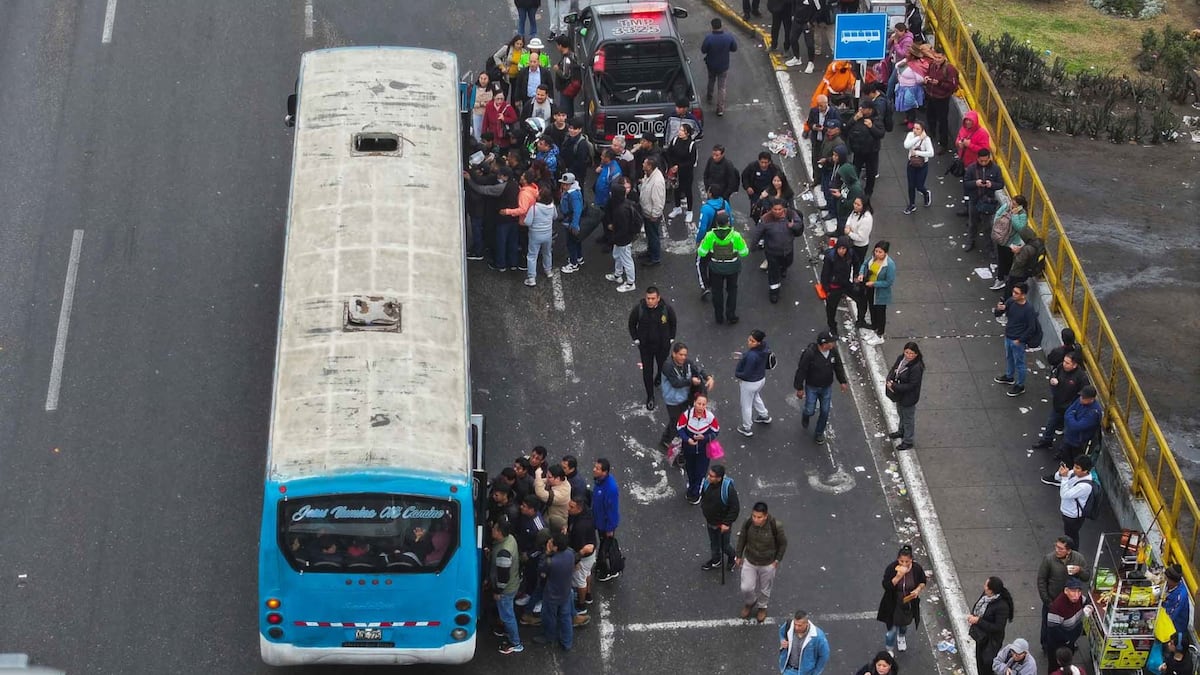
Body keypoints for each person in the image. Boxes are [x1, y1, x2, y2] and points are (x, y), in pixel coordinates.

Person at [1036, 537, 1092, 653]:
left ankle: (1070, 642)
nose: (1057, 550)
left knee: (1071, 624)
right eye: (1056, 546)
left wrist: (1079, 570)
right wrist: (1047, 601)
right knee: (1048, 625)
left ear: (1069, 550)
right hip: (1053, 600)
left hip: (1071, 602)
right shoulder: (1049, 559)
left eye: (1060, 548)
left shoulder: (1078, 558)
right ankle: (1047, 646)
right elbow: (1041, 580)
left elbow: (1086, 577)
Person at [735, 502, 788, 623]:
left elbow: (783, 544)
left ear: (765, 516)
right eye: (754, 516)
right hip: (750, 560)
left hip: (768, 563)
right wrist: (738, 555)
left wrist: (777, 560)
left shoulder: (776, 526)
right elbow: (742, 537)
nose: (755, 519)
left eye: (759, 517)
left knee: (765, 589)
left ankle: (762, 607)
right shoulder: (748, 522)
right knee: (746, 587)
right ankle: (750, 602)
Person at [793, 331, 848, 445]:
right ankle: (806, 415)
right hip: (812, 387)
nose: (833, 344)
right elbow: (802, 370)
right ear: (824, 344)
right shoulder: (810, 354)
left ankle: (819, 433)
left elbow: (838, 366)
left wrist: (842, 381)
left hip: (826, 387)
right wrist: (799, 388)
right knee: (810, 409)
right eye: (831, 342)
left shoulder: (833, 352)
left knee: (825, 411)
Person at [628, 286, 679, 410]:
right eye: (648, 298)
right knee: (647, 371)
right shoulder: (639, 309)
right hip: (645, 347)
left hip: (662, 346)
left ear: (658, 298)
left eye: (653, 298)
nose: (650, 301)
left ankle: (659, 378)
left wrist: (671, 338)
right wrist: (636, 339)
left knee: (662, 367)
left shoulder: (666, 309)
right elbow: (631, 324)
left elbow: (673, 323)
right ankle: (650, 396)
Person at [1039, 386, 1101, 481]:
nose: (1081, 398)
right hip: (1069, 438)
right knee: (1065, 459)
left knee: (1075, 464)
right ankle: (1061, 476)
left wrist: (1072, 417)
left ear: (1091, 399)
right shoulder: (1079, 401)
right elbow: (1068, 412)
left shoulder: (1094, 412)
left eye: (1084, 398)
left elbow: (1076, 426)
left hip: (1078, 443)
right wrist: (1072, 418)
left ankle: (1065, 479)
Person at [659, 342, 715, 448]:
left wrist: (708, 377)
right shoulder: (668, 366)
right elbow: (675, 383)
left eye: (685, 355)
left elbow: (697, 369)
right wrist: (691, 381)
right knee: (676, 423)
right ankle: (669, 443)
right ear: (674, 354)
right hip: (672, 400)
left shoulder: (687, 363)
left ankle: (667, 438)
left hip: (685, 398)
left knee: (678, 420)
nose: (683, 357)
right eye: (680, 355)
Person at [699, 213, 750, 325]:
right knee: (732, 291)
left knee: (717, 292)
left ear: (716, 223)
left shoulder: (710, 236)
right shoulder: (736, 236)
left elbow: (702, 253)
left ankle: (719, 317)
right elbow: (744, 253)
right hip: (732, 268)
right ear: (728, 223)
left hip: (716, 268)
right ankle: (731, 315)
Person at [750, 199, 802, 304]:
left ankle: (783, 268)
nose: (778, 211)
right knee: (774, 273)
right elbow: (757, 233)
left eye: (780, 209)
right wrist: (753, 246)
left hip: (787, 250)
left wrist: (793, 226)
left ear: (784, 209)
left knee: (787, 263)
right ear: (771, 209)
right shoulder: (765, 219)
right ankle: (774, 292)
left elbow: (799, 225)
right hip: (772, 252)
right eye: (775, 209)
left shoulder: (791, 214)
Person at [877, 544, 926, 655]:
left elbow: (923, 581)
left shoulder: (916, 569)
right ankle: (889, 648)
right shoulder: (891, 568)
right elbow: (886, 586)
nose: (904, 564)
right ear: (898, 559)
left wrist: (918, 590)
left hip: (908, 602)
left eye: (907, 562)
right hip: (893, 603)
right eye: (901, 561)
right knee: (892, 630)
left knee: (904, 625)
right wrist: (898, 576)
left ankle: (901, 637)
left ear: (911, 560)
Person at [993, 281, 1038, 396]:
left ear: (1023, 295)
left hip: (1017, 340)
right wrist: (999, 309)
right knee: (1009, 357)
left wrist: (1020, 340)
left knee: (1020, 363)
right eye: (1013, 292)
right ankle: (1009, 376)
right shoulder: (1011, 302)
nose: (1013, 294)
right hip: (1009, 336)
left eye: (1016, 293)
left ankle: (1020, 385)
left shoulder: (1028, 309)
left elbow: (1031, 328)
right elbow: (998, 314)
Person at [536, 533, 577, 650]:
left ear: (556, 547)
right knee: (565, 617)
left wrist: (546, 554)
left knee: (549, 616)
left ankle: (549, 636)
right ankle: (567, 642)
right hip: (566, 591)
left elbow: (541, 571)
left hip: (552, 595)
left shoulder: (551, 562)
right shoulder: (570, 554)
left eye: (552, 542)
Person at [677, 393, 720, 504]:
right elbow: (680, 428)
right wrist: (687, 439)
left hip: (703, 451)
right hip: (689, 449)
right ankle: (691, 487)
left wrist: (705, 437)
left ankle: (695, 494)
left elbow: (716, 431)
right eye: (699, 403)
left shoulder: (710, 417)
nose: (701, 407)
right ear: (694, 403)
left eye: (703, 404)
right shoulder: (686, 415)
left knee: (700, 473)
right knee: (690, 470)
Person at [490, 520, 525, 654]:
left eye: (494, 528)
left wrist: (498, 591)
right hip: (514, 583)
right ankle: (507, 631)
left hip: (506, 589)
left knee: (507, 616)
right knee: (507, 613)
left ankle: (515, 642)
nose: (492, 529)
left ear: (499, 532)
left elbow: (503, 576)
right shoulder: (510, 539)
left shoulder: (503, 551)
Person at [968, 576, 1015, 672]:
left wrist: (978, 621)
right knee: (979, 662)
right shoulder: (986, 596)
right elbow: (977, 606)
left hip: (992, 641)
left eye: (986, 585)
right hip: (981, 636)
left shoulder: (1002, 606)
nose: (984, 586)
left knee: (987, 665)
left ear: (991, 591)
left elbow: (998, 627)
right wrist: (974, 616)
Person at [962, 148, 1006, 252]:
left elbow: (1001, 184)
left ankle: (989, 247)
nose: (983, 163)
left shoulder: (996, 169)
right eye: (981, 161)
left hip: (988, 202)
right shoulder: (971, 168)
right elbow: (966, 183)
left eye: (985, 161)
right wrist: (975, 183)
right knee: (973, 223)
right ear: (977, 159)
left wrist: (992, 185)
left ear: (989, 158)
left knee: (987, 226)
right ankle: (970, 241)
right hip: (974, 200)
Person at [855, 241, 896, 347]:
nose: (877, 254)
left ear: (885, 253)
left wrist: (874, 283)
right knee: (872, 310)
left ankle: (879, 335)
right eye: (876, 251)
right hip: (870, 289)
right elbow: (864, 264)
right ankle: (874, 329)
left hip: (880, 293)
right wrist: (861, 273)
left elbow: (889, 282)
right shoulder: (872, 258)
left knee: (880, 314)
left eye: (880, 252)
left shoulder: (889, 265)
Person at [1045, 578, 1091, 672]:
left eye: (1079, 591)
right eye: (1073, 591)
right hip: (1059, 644)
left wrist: (1088, 607)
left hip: (1071, 638)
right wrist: (1067, 640)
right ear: (1066, 591)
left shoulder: (1080, 598)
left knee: (1068, 661)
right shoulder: (1057, 607)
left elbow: (1087, 602)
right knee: (1055, 666)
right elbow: (1053, 630)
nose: (1077, 595)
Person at [696, 185, 734, 299]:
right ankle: (714, 282)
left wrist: (699, 240)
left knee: (700, 262)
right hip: (722, 239)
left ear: (710, 194)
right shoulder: (725, 204)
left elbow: (702, 228)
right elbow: (731, 220)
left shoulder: (706, 208)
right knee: (713, 260)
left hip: (709, 239)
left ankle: (705, 286)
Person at [699, 464, 740, 571]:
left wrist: (726, 523)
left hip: (722, 524)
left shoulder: (728, 490)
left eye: (712, 476)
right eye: (709, 475)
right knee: (714, 543)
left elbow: (734, 509)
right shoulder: (707, 483)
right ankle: (716, 560)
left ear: (719, 478)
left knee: (724, 545)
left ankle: (732, 556)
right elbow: (703, 496)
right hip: (711, 521)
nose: (708, 477)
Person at [733, 329, 773, 437]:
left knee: (746, 405)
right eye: (750, 339)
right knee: (755, 396)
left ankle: (746, 427)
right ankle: (764, 415)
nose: (749, 342)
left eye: (752, 341)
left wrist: (738, 374)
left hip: (749, 383)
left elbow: (746, 373)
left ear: (758, 342)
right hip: (760, 380)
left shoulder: (751, 356)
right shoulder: (764, 347)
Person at [885, 341, 924, 450]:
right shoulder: (901, 358)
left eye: (912, 353)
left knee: (908, 419)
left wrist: (894, 386)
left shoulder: (916, 368)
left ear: (916, 354)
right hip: (899, 395)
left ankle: (908, 441)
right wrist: (889, 380)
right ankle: (901, 431)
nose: (909, 355)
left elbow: (912, 385)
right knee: (901, 413)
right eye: (907, 352)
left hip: (908, 397)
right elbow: (893, 370)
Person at [844, 101, 885, 196]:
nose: (861, 109)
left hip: (871, 152)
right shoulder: (858, 116)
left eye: (864, 108)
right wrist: (854, 119)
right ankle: (853, 190)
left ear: (870, 110)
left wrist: (872, 127)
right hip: (858, 151)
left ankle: (868, 194)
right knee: (854, 172)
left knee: (871, 174)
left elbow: (880, 134)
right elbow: (846, 129)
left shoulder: (877, 119)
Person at [923, 48, 959, 153]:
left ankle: (943, 144)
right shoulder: (932, 65)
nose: (937, 60)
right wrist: (927, 79)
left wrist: (938, 83)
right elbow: (927, 74)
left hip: (942, 98)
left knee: (942, 121)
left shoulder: (950, 69)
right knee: (930, 116)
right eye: (935, 57)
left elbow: (953, 86)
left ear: (944, 57)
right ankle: (931, 134)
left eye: (939, 58)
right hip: (931, 94)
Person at [604, 182, 638, 293]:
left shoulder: (620, 210)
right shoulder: (626, 204)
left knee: (627, 260)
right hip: (623, 238)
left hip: (623, 239)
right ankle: (618, 275)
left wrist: (613, 239)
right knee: (617, 256)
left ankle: (630, 283)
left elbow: (623, 229)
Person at [566, 493, 596, 615]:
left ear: (579, 508)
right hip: (590, 555)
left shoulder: (580, 527)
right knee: (586, 574)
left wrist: (576, 561)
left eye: (571, 507)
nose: (568, 508)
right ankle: (588, 595)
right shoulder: (586, 514)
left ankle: (581, 604)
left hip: (583, 557)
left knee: (580, 581)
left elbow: (580, 549)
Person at [1055, 456, 1095, 548]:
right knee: (1070, 535)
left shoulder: (1085, 486)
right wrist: (1061, 473)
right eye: (1074, 466)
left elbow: (1065, 495)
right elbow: (1057, 477)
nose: (1074, 469)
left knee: (1071, 537)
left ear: (1085, 471)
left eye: (1077, 468)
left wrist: (1064, 478)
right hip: (1067, 511)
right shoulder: (1074, 473)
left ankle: (1073, 554)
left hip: (1073, 516)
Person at [700, 19, 738, 116]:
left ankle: (709, 97)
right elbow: (734, 48)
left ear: (712, 26)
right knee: (722, 87)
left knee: (711, 80)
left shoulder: (709, 38)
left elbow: (703, 50)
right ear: (721, 25)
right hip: (724, 66)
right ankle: (720, 108)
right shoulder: (728, 37)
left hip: (711, 65)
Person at [592, 458, 621, 582]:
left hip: (605, 525)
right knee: (604, 546)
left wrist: (610, 528)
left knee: (605, 548)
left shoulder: (610, 489)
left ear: (605, 472)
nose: (594, 469)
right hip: (600, 522)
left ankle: (607, 570)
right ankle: (604, 566)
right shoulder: (600, 481)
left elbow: (612, 510)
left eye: (597, 468)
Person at [522, 185, 557, 286]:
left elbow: (528, 222)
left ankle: (531, 278)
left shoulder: (534, 208)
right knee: (547, 252)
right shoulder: (552, 206)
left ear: (540, 197)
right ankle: (548, 270)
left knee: (532, 255)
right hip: (548, 234)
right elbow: (555, 216)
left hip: (535, 235)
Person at [819, 236, 854, 335]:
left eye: (844, 249)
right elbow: (825, 274)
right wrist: (827, 290)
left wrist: (856, 275)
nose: (841, 251)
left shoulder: (850, 254)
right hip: (834, 287)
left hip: (844, 283)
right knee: (831, 308)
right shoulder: (830, 258)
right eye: (840, 248)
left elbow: (856, 263)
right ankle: (832, 326)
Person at [778, 610, 830, 675]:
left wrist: (816, 673)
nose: (796, 628)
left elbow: (824, 655)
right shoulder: (789, 625)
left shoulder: (818, 636)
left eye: (799, 625)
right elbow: (781, 632)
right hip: (788, 670)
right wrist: (782, 640)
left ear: (806, 623)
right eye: (795, 624)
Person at [665, 122, 699, 221]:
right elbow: (669, 153)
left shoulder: (691, 145)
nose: (679, 132)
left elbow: (692, 161)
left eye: (682, 131)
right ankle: (677, 208)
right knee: (676, 189)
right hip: (675, 171)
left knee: (688, 191)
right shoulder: (675, 140)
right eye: (680, 130)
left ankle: (689, 211)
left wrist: (679, 167)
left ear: (687, 133)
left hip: (686, 172)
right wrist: (672, 166)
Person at [805, 96, 841, 182]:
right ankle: (816, 179)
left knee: (825, 161)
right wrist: (813, 126)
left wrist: (823, 129)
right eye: (818, 105)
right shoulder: (814, 111)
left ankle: (824, 180)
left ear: (826, 104)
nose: (819, 108)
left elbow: (837, 128)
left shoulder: (834, 113)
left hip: (827, 142)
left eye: (821, 106)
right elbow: (809, 122)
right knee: (815, 160)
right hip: (816, 141)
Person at [639, 157, 667, 266]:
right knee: (649, 234)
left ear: (650, 166)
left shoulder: (657, 181)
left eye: (644, 163)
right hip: (647, 212)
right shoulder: (649, 175)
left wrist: (655, 214)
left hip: (652, 215)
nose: (642, 164)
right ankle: (650, 251)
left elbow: (658, 200)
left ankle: (655, 258)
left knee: (653, 236)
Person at [903, 121, 934, 214]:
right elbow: (906, 145)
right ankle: (912, 204)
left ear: (922, 130)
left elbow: (931, 153)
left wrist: (917, 153)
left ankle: (926, 193)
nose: (915, 130)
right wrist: (918, 138)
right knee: (911, 185)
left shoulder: (927, 139)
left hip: (922, 165)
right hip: (911, 164)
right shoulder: (910, 135)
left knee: (919, 186)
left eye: (918, 129)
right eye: (914, 128)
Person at [831, 163, 864, 237]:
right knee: (839, 224)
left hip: (846, 214)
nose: (841, 179)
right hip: (841, 210)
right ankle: (837, 232)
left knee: (843, 229)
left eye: (843, 177)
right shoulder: (847, 182)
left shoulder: (856, 189)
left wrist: (840, 197)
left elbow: (852, 205)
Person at [844, 197, 874, 274]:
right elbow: (850, 218)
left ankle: (856, 280)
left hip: (859, 247)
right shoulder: (856, 211)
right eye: (855, 203)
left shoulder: (866, 219)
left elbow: (861, 237)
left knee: (857, 265)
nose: (855, 206)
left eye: (858, 205)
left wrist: (849, 233)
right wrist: (847, 225)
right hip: (852, 242)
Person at [470, 72, 502, 142]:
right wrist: (481, 104)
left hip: (490, 115)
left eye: (485, 79)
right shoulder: (474, 88)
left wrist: (492, 103)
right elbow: (471, 103)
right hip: (477, 114)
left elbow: (500, 98)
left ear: (488, 79)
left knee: (489, 132)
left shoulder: (493, 88)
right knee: (478, 132)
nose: (483, 80)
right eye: (481, 78)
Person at [1162, 564, 1191, 635]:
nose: (1164, 580)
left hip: (1176, 629)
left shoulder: (1180, 596)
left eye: (1166, 578)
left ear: (1172, 580)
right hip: (1166, 616)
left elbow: (1170, 616)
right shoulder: (1169, 586)